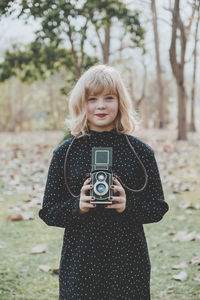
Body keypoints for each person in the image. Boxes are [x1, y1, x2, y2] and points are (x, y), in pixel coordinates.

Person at [38, 64, 169, 300]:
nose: (100, 105)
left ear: (120, 102)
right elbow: (48, 211)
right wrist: (77, 206)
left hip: (128, 262)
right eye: (92, 99)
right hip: (80, 262)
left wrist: (128, 205)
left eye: (109, 98)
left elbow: (158, 207)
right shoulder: (65, 153)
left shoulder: (140, 152)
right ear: (81, 104)